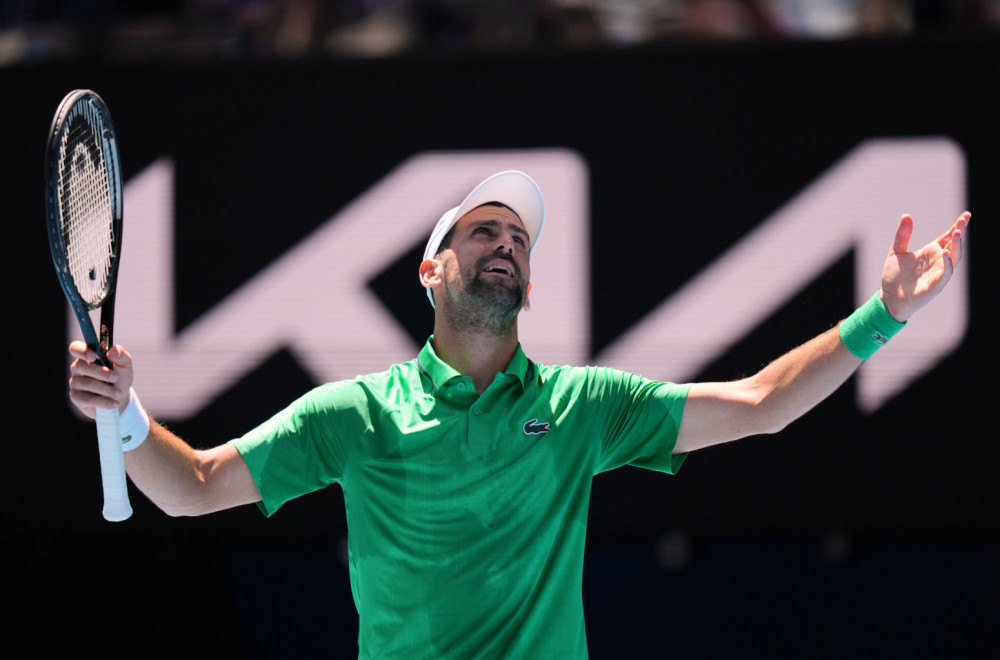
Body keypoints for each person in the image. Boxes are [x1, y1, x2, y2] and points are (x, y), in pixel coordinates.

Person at [67, 171, 969, 658]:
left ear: (528, 283)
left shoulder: (585, 407)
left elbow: (764, 404)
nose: (505, 244)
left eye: (518, 240)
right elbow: (191, 489)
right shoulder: (354, 415)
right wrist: (125, 410)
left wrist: (883, 315)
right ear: (432, 271)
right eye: (483, 231)